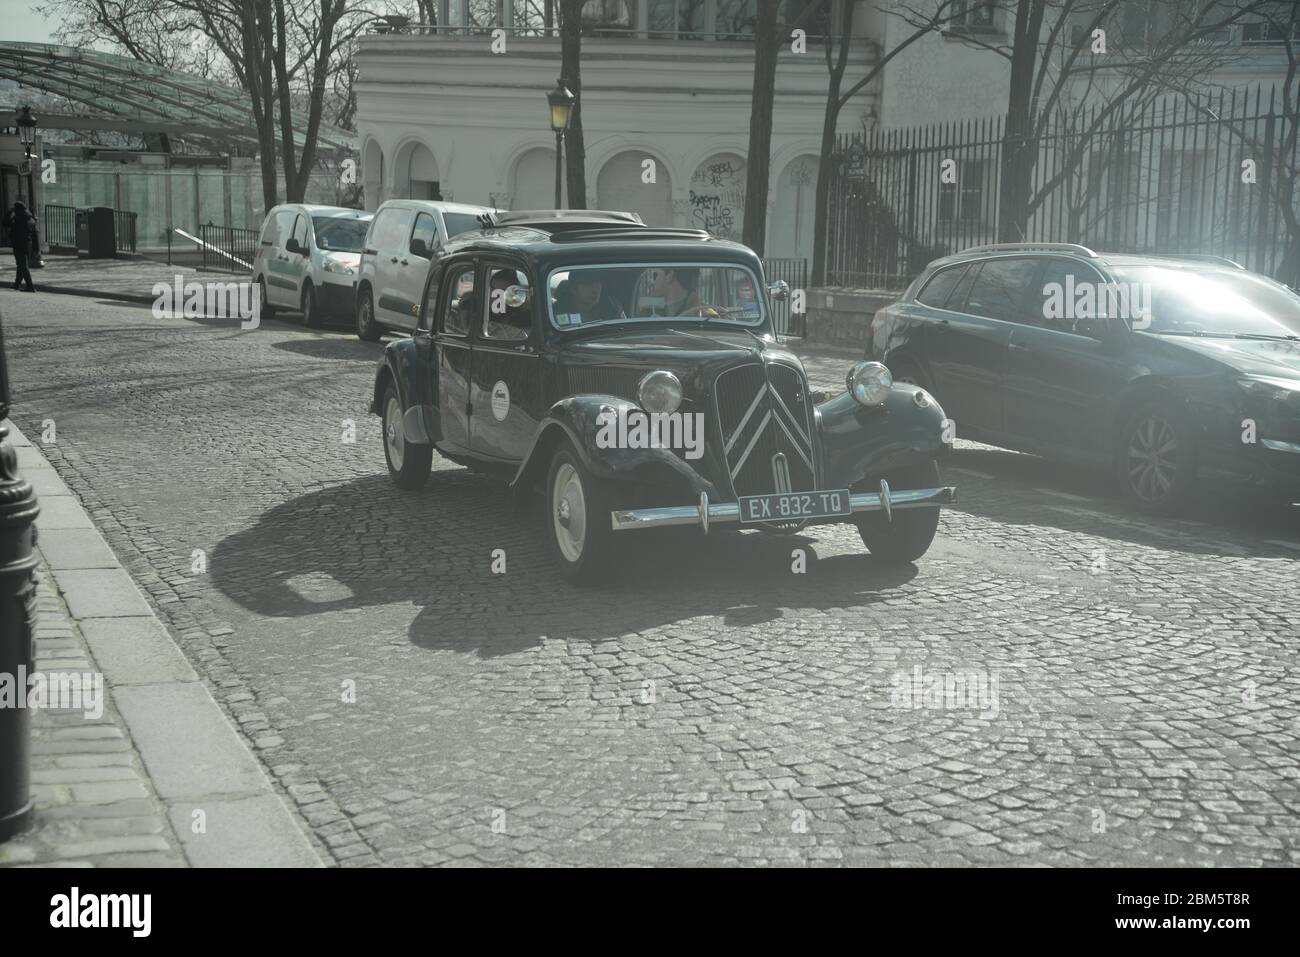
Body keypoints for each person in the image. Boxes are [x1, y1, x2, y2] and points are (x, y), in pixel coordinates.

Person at [553, 269, 625, 325]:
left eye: (598, 283)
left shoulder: (611, 310)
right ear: (573, 288)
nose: (595, 290)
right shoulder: (555, 314)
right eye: (588, 284)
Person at [5, 201, 36, 292]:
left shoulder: (18, 218)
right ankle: (16, 285)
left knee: (23, 266)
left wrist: (9, 212)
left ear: (17, 209)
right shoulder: (30, 219)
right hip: (28, 244)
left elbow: (5, 223)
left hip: (19, 244)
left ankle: (30, 286)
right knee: (21, 266)